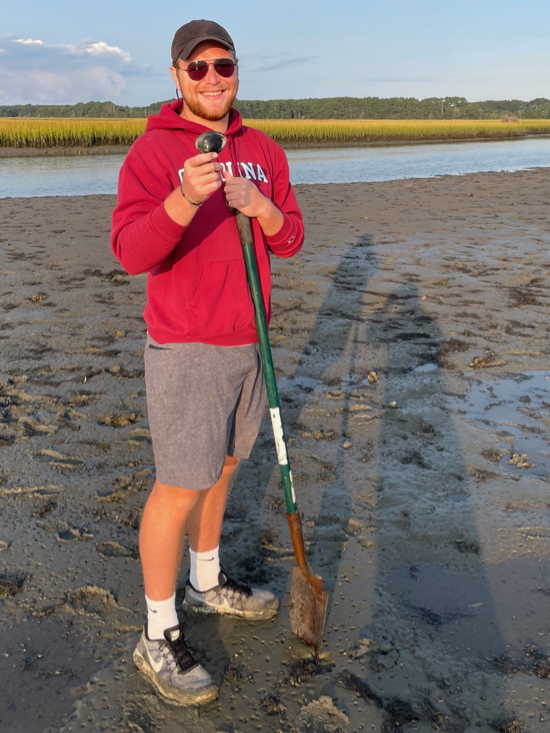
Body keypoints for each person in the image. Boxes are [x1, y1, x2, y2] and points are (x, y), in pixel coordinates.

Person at [111, 19, 304, 706]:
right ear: (176, 77)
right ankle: (158, 631)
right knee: (180, 483)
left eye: (223, 65)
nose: (214, 77)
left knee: (223, 467)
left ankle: (206, 577)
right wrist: (183, 198)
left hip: (247, 342)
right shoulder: (153, 154)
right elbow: (132, 251)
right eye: (198, 68)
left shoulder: (264, 151)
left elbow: (291, 237)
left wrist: (263, 210)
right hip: (187, 346)